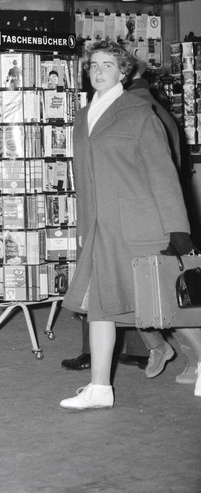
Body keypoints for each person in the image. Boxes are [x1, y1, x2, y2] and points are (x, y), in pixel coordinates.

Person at [60, 41, 201, 410]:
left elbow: (163, 173)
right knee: (101, 307)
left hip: (140, 225)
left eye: (108, 64)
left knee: (160, 304)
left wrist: (178, 230)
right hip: (98, 228)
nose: (99, 71)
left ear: (123, 71)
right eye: (93, 65)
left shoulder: (139, 112)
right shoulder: (82, 116)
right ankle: (99, 388)